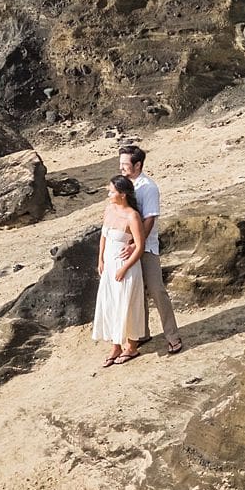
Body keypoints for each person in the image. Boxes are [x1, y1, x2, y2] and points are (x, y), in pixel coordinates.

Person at [117, 143, 182, 354]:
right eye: (121, 164)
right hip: (126, 246)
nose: (121, 168)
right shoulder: (124, 184)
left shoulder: (148, 187)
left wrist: (138, 243)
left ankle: (172, 335)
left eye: (125, 164)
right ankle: (141, 333)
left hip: (146, 248)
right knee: (134, 291)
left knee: (156, 291)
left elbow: (150, 218)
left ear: (138, 165)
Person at [92, 175, 147, 367]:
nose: (109, 194)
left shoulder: (132, 216)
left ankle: (131, 346)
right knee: (111, 304)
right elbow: (103, 237)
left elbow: (140, 246)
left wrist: (125, 267)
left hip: (127, 267)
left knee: (127, 304)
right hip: (109, 265)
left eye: (112, 191)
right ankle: (116, 345)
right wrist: (100, 259)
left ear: (122, 195)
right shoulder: (109, 209)